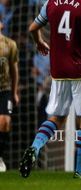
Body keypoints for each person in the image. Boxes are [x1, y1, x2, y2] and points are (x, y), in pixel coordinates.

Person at [19, 0, 81, 179]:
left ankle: (35, 147)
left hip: (58, 71)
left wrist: (40, 42)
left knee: (57, 118)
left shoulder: (50, 4)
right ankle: (80, 170)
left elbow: (33, 28)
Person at [0, 18, 19, 172]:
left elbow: (14, 70)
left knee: (5, 121)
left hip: (4, 89)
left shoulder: (10, 44)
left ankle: (0, 158)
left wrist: (14, 92)